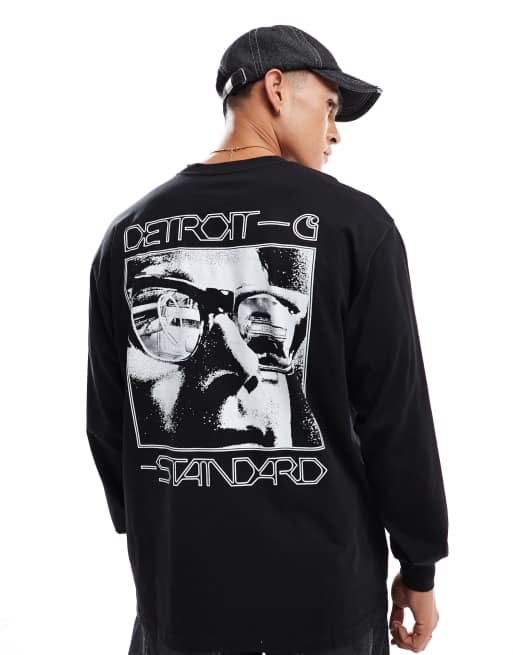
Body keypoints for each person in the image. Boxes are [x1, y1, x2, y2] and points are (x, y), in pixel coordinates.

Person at [87, 24, 449, 655]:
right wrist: (419, 566)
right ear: (276, 89)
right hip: (325, 606)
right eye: (330, 107)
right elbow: (396, 417)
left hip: (181, 603)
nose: (335, 133)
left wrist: (161, 524)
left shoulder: (127, 234)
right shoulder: (356, 225)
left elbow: (107, 423)